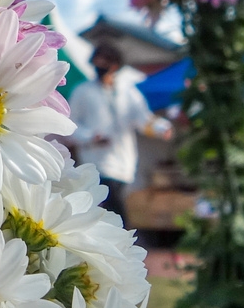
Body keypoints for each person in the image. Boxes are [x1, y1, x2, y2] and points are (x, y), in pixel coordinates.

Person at [66, 45, 169, 226]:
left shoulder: (128, 93)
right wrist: (91, 137)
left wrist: (162, 128)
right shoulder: (82, 92)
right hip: (95, 161)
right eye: (97, 61)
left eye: (105, 61)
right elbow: (71, 125)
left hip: (123, 162)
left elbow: (144, 119)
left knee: (110, 207)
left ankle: (121, 242)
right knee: (111, 206)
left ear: (116, 65)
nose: (100, 65)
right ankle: (126, 240)